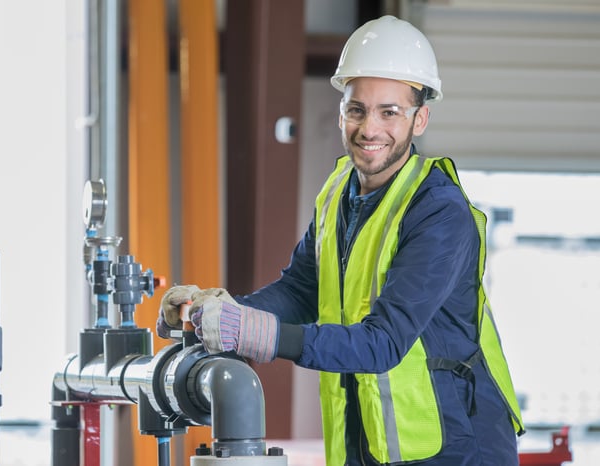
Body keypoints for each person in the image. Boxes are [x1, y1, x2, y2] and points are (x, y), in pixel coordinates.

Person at [156, 15, 525, 466]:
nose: (369, 128)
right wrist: (225, 313)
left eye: (390, 112)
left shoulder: (440, 213)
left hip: (457, 448)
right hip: (371, 444)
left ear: (420, 118)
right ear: (342, 111)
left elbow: (382, 343)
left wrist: (258, 334)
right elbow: (299, 290)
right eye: (357, 109)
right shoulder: (339, 193)